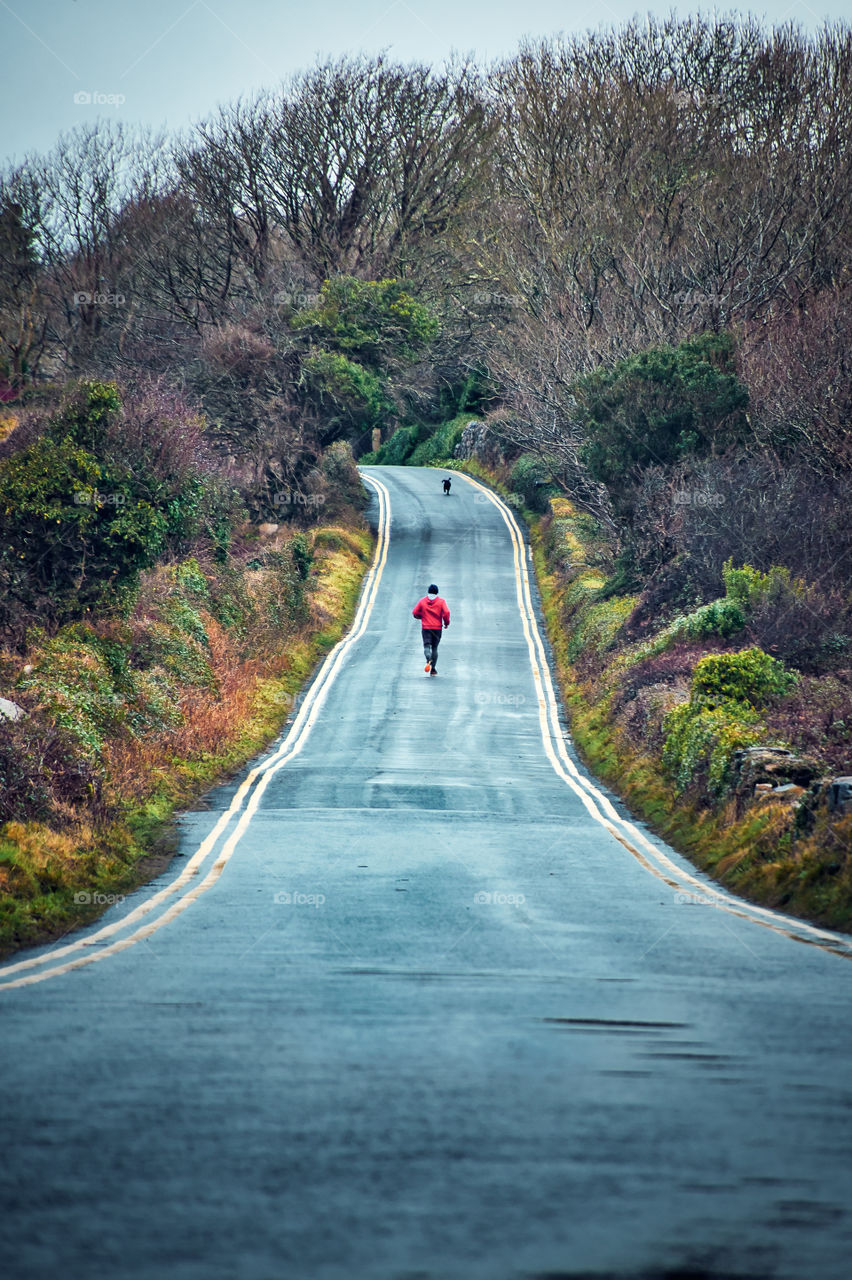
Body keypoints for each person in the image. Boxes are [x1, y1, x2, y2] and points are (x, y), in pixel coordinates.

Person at [412, 583, 450, 676]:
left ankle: (428, 658)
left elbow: (415, 612)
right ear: (437, 592)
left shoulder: (422, 601)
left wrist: (421, 617)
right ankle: (433, 669)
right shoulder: (441, 602)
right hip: (437, 628)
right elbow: (446, 612)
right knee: (435, 648)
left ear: (428, 591)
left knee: (426, 646)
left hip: (426, 628)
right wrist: (446, 623)